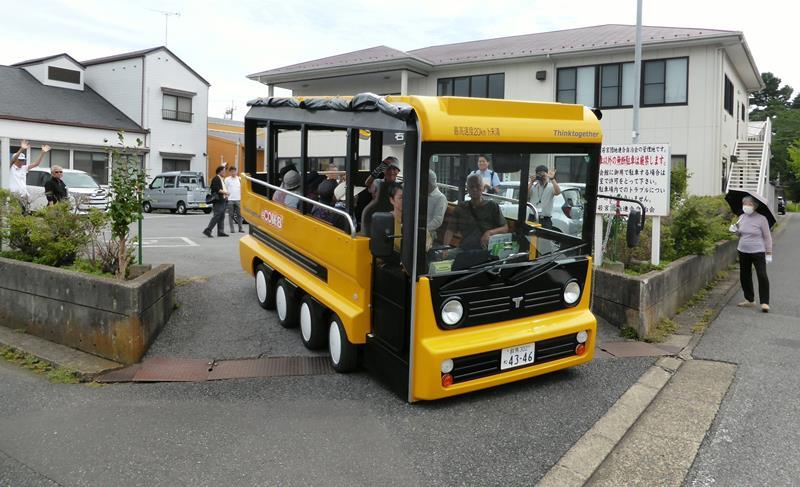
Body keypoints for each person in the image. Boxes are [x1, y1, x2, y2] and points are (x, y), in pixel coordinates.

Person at [730, 196, 773, 312]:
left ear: (754, 206)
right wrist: (735, 230)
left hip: (758, 251)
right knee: (744, 275)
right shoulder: (742, 217)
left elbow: (767, 237)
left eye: (748, 204)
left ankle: (765, 302)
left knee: (762, 275)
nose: (746, 206)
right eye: (744, 204)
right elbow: (740, 234)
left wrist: (769, 252)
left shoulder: (762, 219)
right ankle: (749, 300)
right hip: (743, 250)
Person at [443, 174, 508, 249]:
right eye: (471, 186)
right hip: (465, 249)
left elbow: (505, 228)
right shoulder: (461, 207)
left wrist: (489, 233)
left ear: (483, 188)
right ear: (467, 189)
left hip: (486, 250)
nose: (475, 189)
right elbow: (450, 230)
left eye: (478, 186)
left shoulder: (492, 206)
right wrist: (445, 249)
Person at [9, 140, 50, 209]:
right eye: (19, 160)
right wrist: (22, 149)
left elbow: (36, 164)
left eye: (23, 160)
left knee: (24, 214)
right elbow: (13, 160)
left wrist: (42, 153)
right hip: (13, 195)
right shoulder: (10, 167)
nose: (21, 162)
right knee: (14, 213)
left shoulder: (24, 168)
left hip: (24, 196)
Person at [528, 164, 561, 229]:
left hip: (545, 220)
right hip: (532, 217)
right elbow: (525, 193)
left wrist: (552, 179)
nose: (541, 176)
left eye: (543, 174)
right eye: (539, 174)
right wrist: (531, 182)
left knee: (545, 238)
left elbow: (558, 192)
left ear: (547, 174)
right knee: (530, 238)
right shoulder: (534, 186)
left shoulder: (551, 186)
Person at [203, 166, 229, 238]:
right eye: (224, 171)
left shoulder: (221, 179)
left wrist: (225, 195)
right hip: (218, 201)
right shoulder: (216, 178)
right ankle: (208, 230)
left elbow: (221, 188)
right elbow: (216, 189)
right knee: (217, 215)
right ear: (220, 171)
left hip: (223, 200)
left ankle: (220, 231)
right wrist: (225, 193)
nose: (225, 172)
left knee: (222, 216)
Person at [426, 169, 447, 249]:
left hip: (430, 232)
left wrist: (423, 229)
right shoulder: (421, 194)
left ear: (429, 183)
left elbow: (437, 221)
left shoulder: (440, 198)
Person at [225, 166, 244, 233]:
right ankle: (232, 229)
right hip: (230, 200)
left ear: (236, 171)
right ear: (230, 172)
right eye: (232, 171)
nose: (233, 173)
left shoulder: (239, 179)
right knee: (231, 215)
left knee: (240, 215)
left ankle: (240, 228)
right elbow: (225, 189)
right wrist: (226, 197)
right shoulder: (227, 179)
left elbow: (242, 189)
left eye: (234, 171)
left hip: (238, 199)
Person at [387, 182, 403, 253]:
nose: (406, 200)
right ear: (392, 200)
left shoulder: (416, 220)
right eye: (401, 198)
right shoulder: (386, 221)